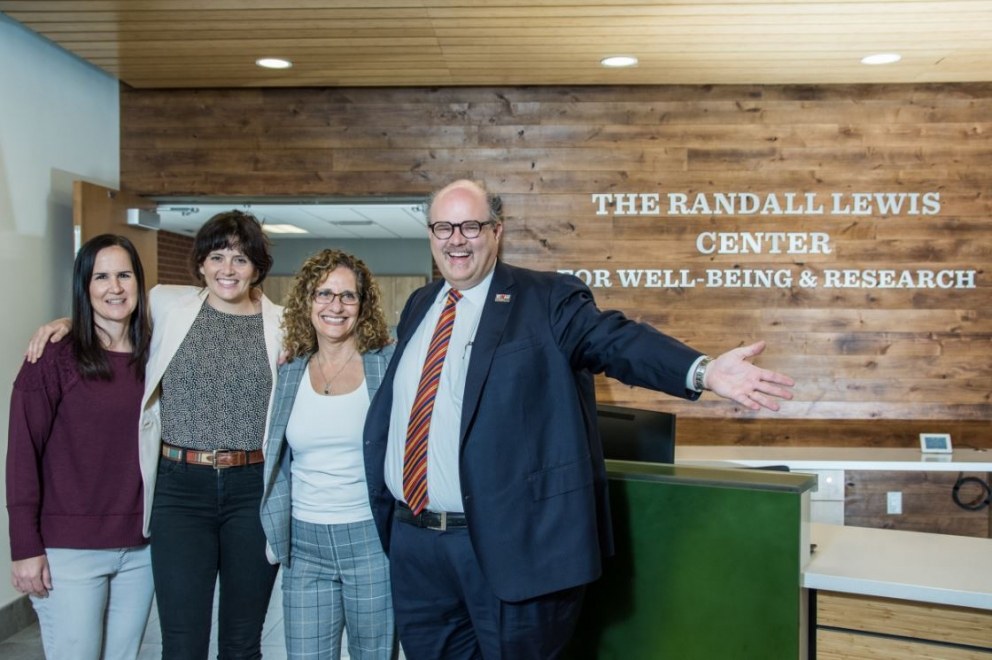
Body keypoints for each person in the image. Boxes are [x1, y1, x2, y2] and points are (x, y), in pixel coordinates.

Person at [362, 179, 797, 659]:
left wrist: (704, 370)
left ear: (497, 231)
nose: (455, 239)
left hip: (510, 549)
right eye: (443, 226)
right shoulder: (421, 304)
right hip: (417, 548)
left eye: (471, 225)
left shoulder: (545, 299)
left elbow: (616, 341)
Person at [26, 211, 285, 659]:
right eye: (217, 256)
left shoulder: (283, 325)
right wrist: (66, 324)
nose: (228, 269)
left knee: (242, 641)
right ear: (201, 263)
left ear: (257, 267)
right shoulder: (167, 303)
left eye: (241, 259)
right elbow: (110, 310)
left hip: (251, 488)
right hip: (180, 490)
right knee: (182, 641)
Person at [7, 234, 154, 659]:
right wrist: (25, 547)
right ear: (83, 287)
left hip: (140, 548)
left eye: (124, 275)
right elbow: (21, 456)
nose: (115, 287)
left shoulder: (155, 354)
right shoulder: (53, 357)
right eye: (101, 276)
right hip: (70, 550)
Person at [260, 249, 396, 659]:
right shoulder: (289, 371)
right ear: (307, 300)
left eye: (348, 296)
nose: (335, 306)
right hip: (305, 546)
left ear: (363, 305)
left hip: (371, 542)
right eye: (324, 294)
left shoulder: (387, 364)